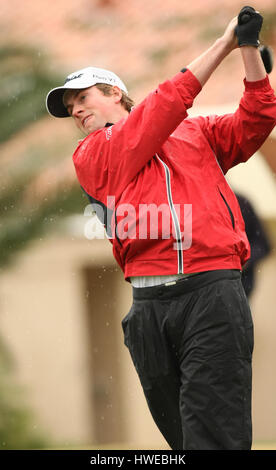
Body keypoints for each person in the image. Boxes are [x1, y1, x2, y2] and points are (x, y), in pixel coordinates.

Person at [46, 6, 276, 450]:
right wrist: (225, 43)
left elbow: (258, 117)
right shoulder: (92, 154)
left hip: (212, 296)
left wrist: (247, 48)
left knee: (213, 438)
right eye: (70, 107)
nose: (76, 110)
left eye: (83, 97)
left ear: (115, 93)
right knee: (184, 440)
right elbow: (165, 105)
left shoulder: (196, 135)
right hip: (149, 310)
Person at [235, 192, 272, 298]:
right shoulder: (188, 205)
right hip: (200, 290)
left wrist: (245, 259)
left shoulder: (242, 203)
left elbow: (263, 243)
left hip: (242, 286)